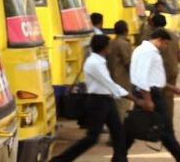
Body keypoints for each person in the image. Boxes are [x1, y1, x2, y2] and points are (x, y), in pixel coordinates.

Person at [51, 34, 144, 162]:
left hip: (107, 100)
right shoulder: (94, 63)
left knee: (119, 133)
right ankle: (60, 160)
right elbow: (110, 84)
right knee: (92, 138)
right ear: (104, 47)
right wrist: (134, 99)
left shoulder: (100, 61)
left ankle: (120, 159)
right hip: (98, 103)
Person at [128, 28, 180, 162]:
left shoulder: (144, 50)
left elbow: (152, 76)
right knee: (162, 127)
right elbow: (142, 78)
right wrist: (148, 99)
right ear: (159, 40)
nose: (165, 47)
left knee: (136, 127)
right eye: (165, 44)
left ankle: (119, 156)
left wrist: (170, 87)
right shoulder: (148, 52)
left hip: (149, 92)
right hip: (150, 94)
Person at [106, 20, 133, 146]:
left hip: (110, 80)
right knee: (122, 111)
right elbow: (128, 63)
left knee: (114, 111)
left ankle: (113, 136)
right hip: (122, 81)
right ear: (125, 31)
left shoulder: (110, 43)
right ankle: (118, 138)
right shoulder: (124, 44)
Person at [151, 14, 180, 122]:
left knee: (155, 98)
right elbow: (179, 55)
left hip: (160, 71)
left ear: (153, 24)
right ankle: (168, 122)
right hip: (173, 69)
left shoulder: (154, 37)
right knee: (168, 99)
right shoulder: (174, 35)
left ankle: (158, 123)